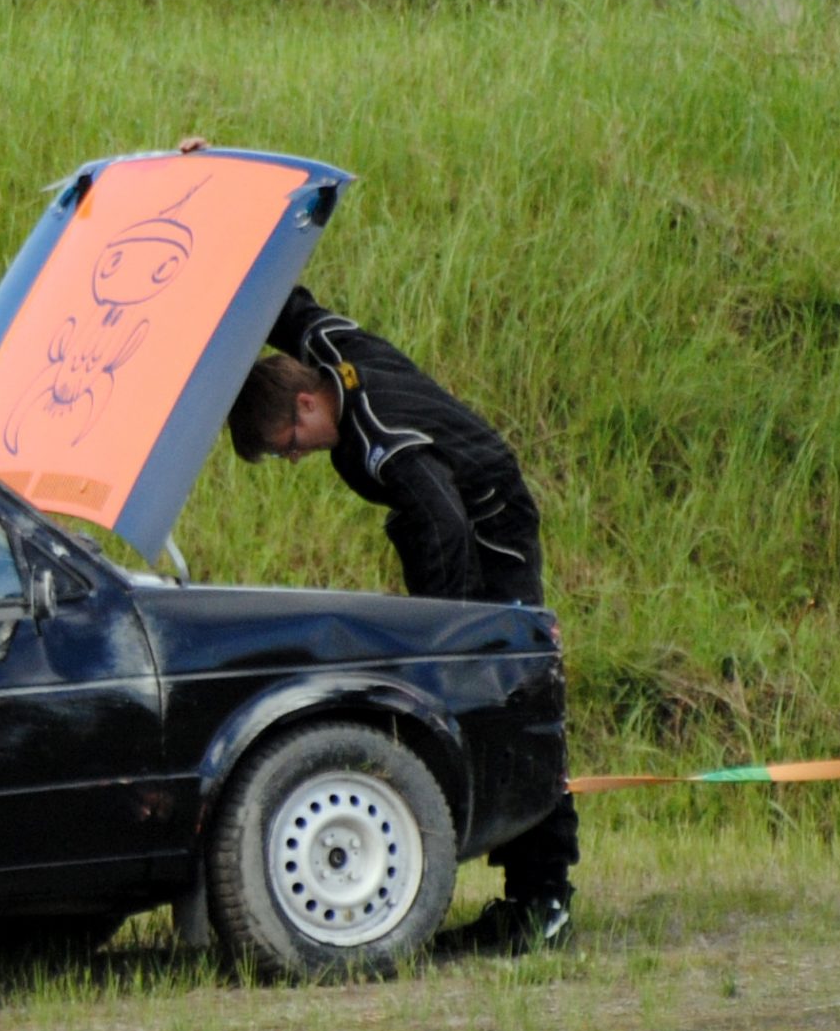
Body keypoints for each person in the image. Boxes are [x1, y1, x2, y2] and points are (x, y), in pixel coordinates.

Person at [225, 282, 580, 950]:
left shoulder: (381, 438)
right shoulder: (331, 349)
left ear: (306, 403)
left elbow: (446, 524)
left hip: (491, 533)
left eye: (288, 443)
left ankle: (544, 899)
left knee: (505, 697)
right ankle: (522, 890)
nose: (294, 457)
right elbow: (287, 305)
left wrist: (446, 640)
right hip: (447, 523)